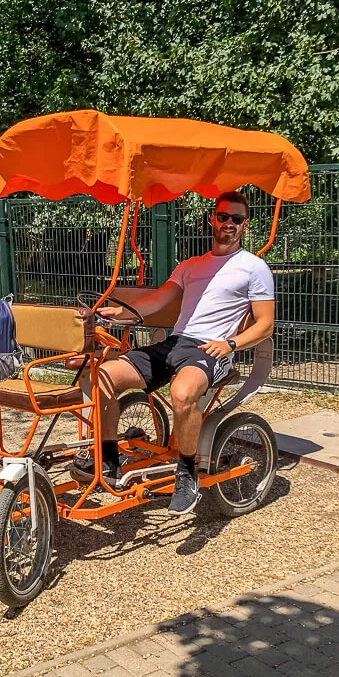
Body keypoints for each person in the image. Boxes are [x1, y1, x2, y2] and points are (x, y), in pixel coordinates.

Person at [70, 191, 275, 515]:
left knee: (182, 393)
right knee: (104, 376)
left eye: (237, 219)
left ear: (245, 224)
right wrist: (119, 313)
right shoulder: (191, 265)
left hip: (212, 349)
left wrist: (230, 344)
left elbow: (265, 325)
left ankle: (187, 472)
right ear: (213, 219)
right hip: (176, 342)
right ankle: (108, 459)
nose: (229, 224)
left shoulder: (254, 268)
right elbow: (158, 300)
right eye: (224, 216)